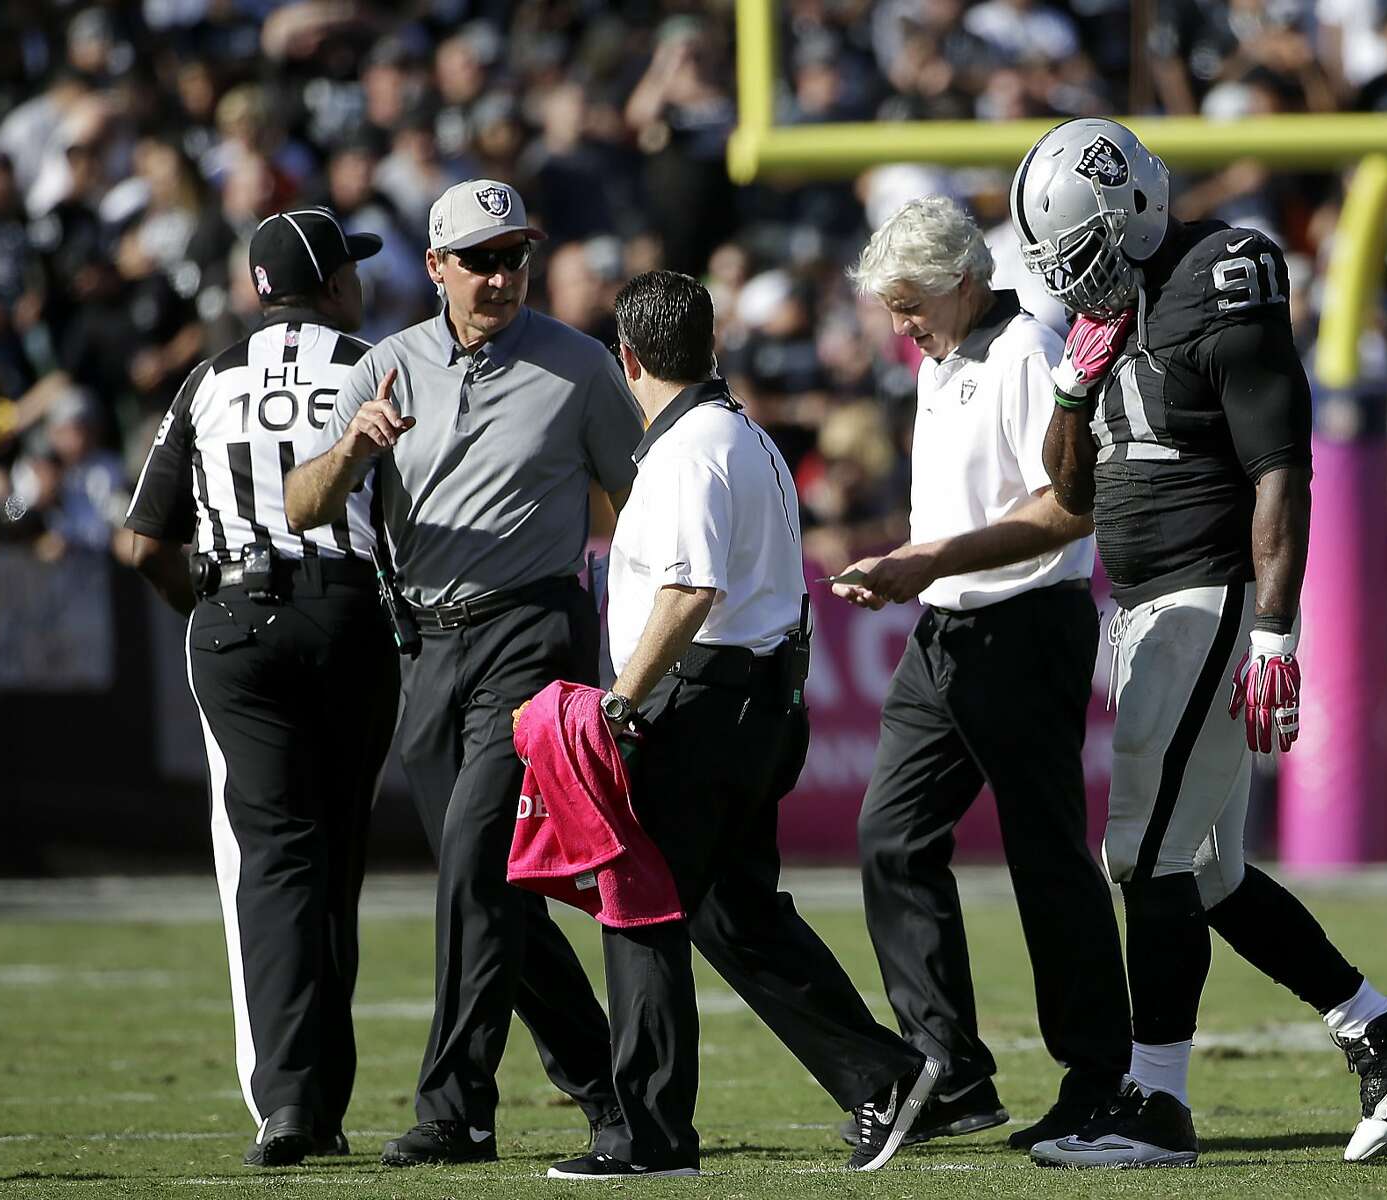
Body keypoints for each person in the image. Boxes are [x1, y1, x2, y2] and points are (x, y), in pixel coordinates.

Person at [1009, 118, 1387, 1167]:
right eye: (1065, 270)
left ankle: (1156, 1106)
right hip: (1148, 605)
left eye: (1089, 258)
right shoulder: (1109, 316)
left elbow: (1278, 469)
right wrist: (1075, 386)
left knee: (1144, 854)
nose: (1083, 283)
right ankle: (1381, 1026)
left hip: (1207, 597)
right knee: (1206, 869)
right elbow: (1071, 488)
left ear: (1137, 213)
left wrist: (1274, 630)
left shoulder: (1226, 273)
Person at [545, 270, 938, 1180]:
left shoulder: (688, 450)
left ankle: (651, 1136)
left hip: (704, 705)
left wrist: (617, 702)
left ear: (628, 358)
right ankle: (884, 1072)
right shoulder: (744, 434)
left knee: (638, 909)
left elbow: (688, 592)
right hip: (756, 702)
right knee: (735, 916)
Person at [283, 179, 639, 1167]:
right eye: (478, 259)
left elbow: (644, 504)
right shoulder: (385, 368)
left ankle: (457, 1108)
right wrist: (353, 447)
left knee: (479, 860)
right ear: (435, 267)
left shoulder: (578, 365)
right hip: (427, 644)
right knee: (496, 885)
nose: (500, 275)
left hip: (533, 630)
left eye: (514, 255)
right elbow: (303, 504)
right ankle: (609, 1084)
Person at [832, 196, 1130, 1150]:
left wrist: (926, 560)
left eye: (910, 304)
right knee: (891, 837)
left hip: (1025, 625)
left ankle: (1100, 1076)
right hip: (948, 633)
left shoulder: (1027, 353)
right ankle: (950, 1072)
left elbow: (1069, 510)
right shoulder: (950, 354)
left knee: (1047, 860)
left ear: (965, 281)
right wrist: (918, 567)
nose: (900, 326)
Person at [122, 207, 399, 1167]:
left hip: (234, 616)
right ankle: (319, 1099)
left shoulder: (208, 381)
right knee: (337, 852)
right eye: (351, 272)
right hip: (346, 612)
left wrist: (205, 607)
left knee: (275, 856)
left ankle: (291, 1108)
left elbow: (143, 541)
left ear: (255, 291)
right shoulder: (373, 362)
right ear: (332, 284)